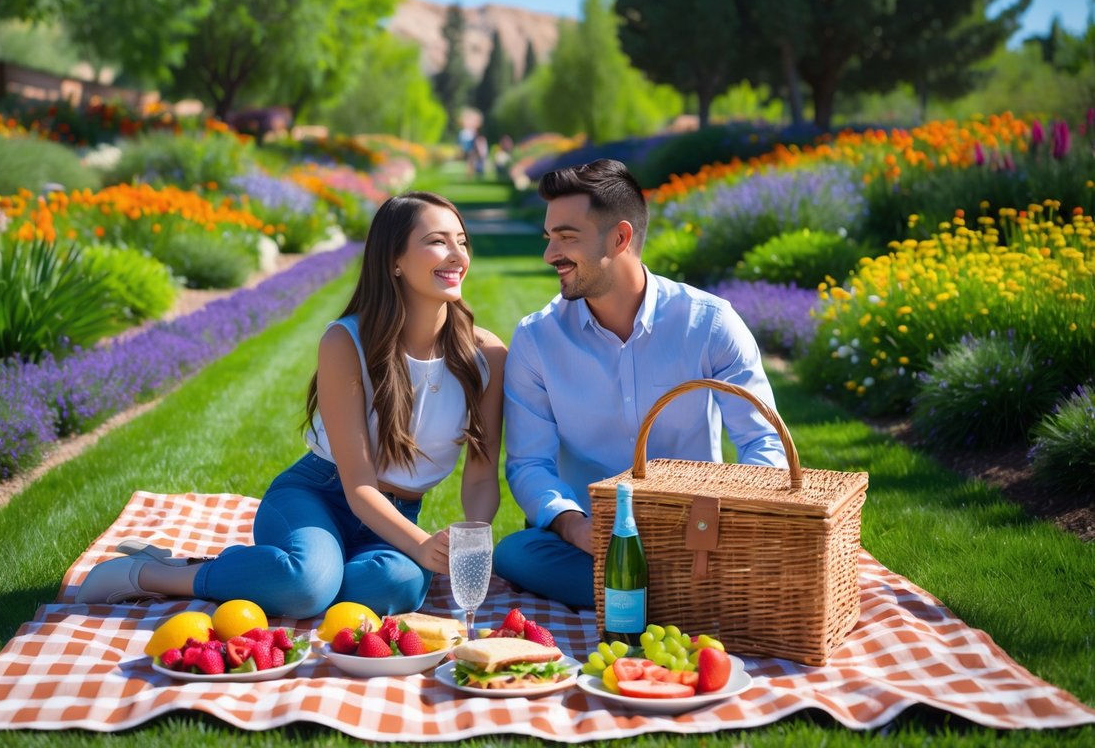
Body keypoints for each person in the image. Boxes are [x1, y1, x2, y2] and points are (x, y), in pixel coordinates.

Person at [76, 192, 506, 618]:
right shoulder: (347, 342)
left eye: (462, 241)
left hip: (397, 516)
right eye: (437, 241)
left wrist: (474, 538)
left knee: (396, 585)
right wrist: (419, 544)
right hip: (318, 495)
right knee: (307, 583)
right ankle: (156, 574)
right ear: (394, 259)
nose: (457, 255)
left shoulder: (485, 356)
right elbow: (357, 486)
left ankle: (276, 576)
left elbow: (483, 475)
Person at [493, 159, 786, 609]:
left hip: (698, 535)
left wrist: (723, 520)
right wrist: (573, 526)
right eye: (549, 237)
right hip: (591, 541)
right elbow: (529, 463)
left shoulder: (709, 323)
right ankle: (686, 596)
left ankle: (637, 594)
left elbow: (764, 442)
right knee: (517, 553)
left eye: (567, 237)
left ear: (621, 238)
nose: (550, 254)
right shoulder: (537, 339)